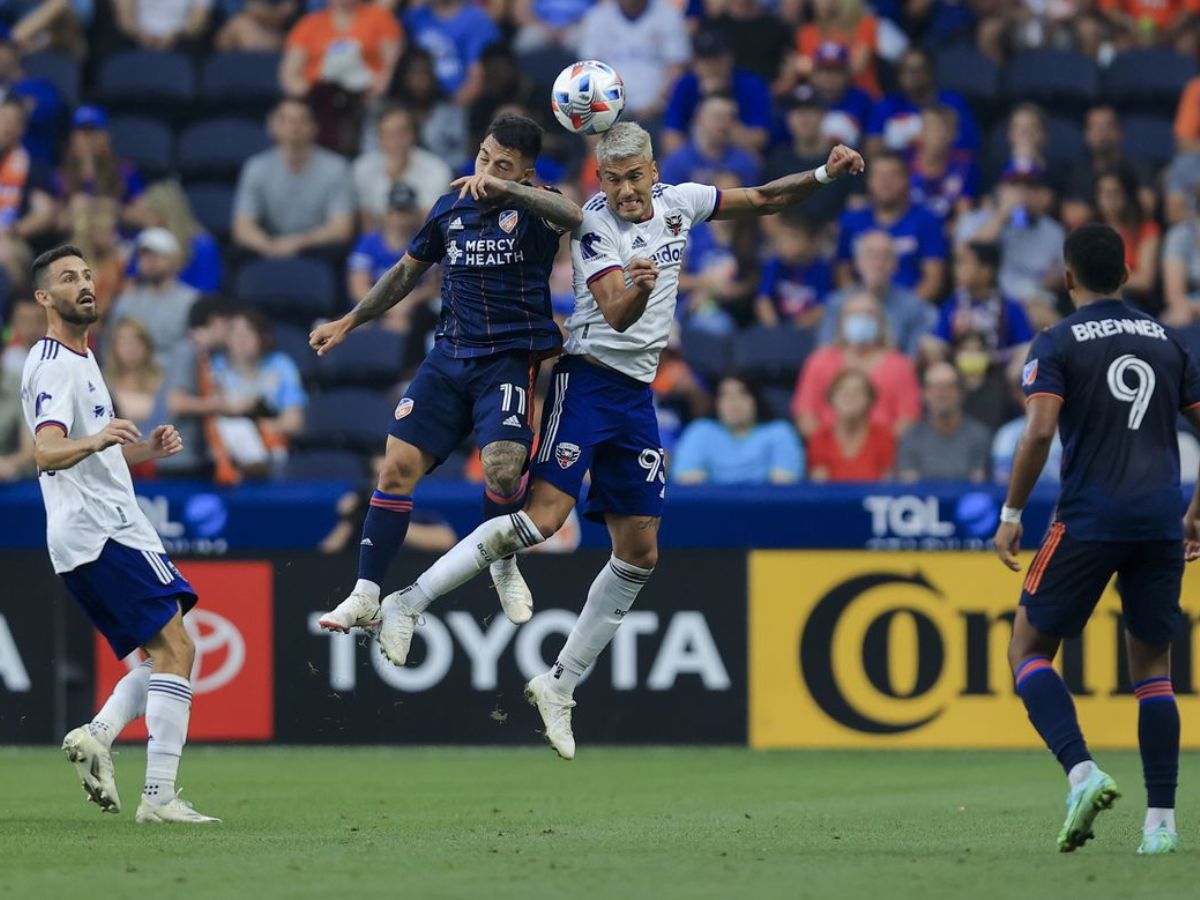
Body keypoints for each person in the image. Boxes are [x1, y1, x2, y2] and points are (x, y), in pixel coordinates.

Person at [372, 124, 864, 759]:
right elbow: (617, 313)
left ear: (654, 171)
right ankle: (409, 602)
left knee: (640, 552)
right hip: (587, 383)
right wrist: (643, 283)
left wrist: (822, 175)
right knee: (543, 519)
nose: (626, 189)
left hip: (636, 395)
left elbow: (766, 198)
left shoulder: (682, 201)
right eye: (613, 178)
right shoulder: (593, 226)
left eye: (635, 176)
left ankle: (559, 685)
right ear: (599, 180)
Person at [309, 113, 584, 634]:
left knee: (503, 468)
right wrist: (349, 321)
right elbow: (404, 273)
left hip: (507, 358)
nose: (487, 171)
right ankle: (365, 594)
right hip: (448, 358)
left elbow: (572, 214)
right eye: (484, 158)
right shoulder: (449, 209)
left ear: (526, 174)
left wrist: (509, 190)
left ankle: (503, 562)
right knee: (395, 467)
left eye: (503, 166)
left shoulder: (536, 207)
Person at [992, 223, 1200, 855]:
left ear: (1067, 278)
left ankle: (1082, 772)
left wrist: (1011, 512)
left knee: (1027, 648)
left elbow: (1038, 432)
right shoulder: (1168, 341)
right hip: (1160, 518)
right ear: (1128, 274)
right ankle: (1160, 826)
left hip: (1089, 516)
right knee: (1154, 672)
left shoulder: (1056, 340)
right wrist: (1195, 512)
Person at [22, 244, 218, 824]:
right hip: (104, 529)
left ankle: (99, 734)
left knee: (167, 654)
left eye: (87, 275)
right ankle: (157, 798)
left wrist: (142, 451)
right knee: (178, 650)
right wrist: (98, 438)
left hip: (91, 530)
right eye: (67, 278)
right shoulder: (56, 364)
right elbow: (47, 451)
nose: (84, 284)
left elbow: (90, 456)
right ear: (44, 297)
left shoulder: (81, 356)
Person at [231, 97, 355, 260]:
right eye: (286, 120)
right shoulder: (255, 167)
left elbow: (341, 228)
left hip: (318, 253)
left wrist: (298, 243)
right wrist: (269, 246)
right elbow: (242, 227)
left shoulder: (336, 167)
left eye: (301, 120)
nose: (294, 127)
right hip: (268, 250)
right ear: (272, 126)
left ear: (314, 127)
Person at [794, 290, 921, 438]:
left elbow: (908, 419)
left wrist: (878, 447)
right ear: (842, 322)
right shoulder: (819, 361)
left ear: (881, 322)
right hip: (827, 446)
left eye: (869, 314)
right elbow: (806, 414)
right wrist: (829, 446)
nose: (861, 319)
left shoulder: (900, 366)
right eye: (854, 314)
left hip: (885, 448)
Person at [835, 150, 946, 303]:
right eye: (878, 175)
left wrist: (902, 310)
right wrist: (862, 307)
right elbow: (843, 274)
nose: (884, 182)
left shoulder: (927, 220)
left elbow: (933, 281)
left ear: (907, 179)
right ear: (869, 181)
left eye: (892, 175)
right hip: (859, 306)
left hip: (910, 309)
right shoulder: (851, 221)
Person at [208, 308, 306, 475]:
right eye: (235, 333)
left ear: (262, 337)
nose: (241, 340)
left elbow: (293, 422)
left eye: (248, 333)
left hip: (269, 445)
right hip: (221, 447)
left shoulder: (280, 365)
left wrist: (257, 427)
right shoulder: (215, 367)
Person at [819, 229, 935, 357]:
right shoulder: (837, 302)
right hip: (844, 368)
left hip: (894, 368)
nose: (878, 264)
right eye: (871, 255)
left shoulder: (913, 306)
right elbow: (824, 353)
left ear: (895, 264)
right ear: (857, 263)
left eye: (886, 257)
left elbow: (911, 358)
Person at [671, 375, 804, 484]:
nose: (734, 402)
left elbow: (785, 481)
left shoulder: (780, 432)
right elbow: (686, 478)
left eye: (742, 394)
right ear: (717, 403)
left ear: (756, 400)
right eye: (726, 396)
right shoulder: (701, 431)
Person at [661, 30, 771, 156]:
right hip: (695, 157)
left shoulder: (750, 84)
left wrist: (716, 98)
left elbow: (759, 139)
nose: (710, 66)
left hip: (738, 157)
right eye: (704, 60)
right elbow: (671, 137)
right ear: (695, 63)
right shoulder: (685, 84)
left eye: (716, 59)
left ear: (729, 58)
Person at [577, 0, 691, 122]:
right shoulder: (597, 17)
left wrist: (658, 104)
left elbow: (676, 70)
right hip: (608, 112)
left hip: (657, 114)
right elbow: (589, 71)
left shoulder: (669, 15)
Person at [864, 47, 979, 157]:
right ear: (899, 75)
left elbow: (970, 145)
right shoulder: (887, 105)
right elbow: (872, 149)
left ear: (930, 72)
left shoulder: (952, 103)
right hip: (898, 167)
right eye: (906, 70)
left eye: (918, 70)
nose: (912, 76)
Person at [352, 103, 452, 227]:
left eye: (402, 132)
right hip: (379, 238)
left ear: (413, 134)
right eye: (390, 134)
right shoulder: (362, 168)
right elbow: (367, 224)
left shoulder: (437, 169)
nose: (397, 140)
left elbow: (433, 222)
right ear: (379, 138)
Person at [764, 90, 855, 225]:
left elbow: (855, 207)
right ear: (788, 119)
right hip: (787, 234)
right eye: (798, 113)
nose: (804, 120)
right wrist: (782, 234)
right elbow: (765, 207)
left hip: (832, 235)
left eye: (810, 112)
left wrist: (833, 232)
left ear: (823, 116)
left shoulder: (842, 160)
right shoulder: (777, 160)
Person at [108, 228, 199, 363]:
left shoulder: (192, 302)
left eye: (156, 256)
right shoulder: (125, 303)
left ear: (175, 259)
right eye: (144, 256)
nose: (149, 262)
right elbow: (110, 347)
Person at [932, 241, 1032, 363]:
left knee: (1025, 353)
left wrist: (995, 357)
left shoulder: (1010, 307)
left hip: (999, 367)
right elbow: (941, 343)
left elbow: (1024, 345)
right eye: (958, 263)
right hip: (957, 367)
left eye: (964, 263)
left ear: (985, 272)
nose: (956, 269)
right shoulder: (952, 305)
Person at [280, 0, 401, 100]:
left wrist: (375, 90)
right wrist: (310, 94)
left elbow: (391, 64)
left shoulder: (380, 18)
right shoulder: (308, 24)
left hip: (366, 93)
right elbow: (290, 73)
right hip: (320, 95)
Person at [895, 361, 991, 482]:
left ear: (960, 392)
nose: (941, 394)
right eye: (935, 388)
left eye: (948, 387)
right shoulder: (911, 438)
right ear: (924, 394)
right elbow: (910, 486)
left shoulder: (979, 436)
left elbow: (979, 484)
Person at [126, 180, 221, 294]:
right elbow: (131, 281)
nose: (143, 219)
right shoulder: (143, 240)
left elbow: (206, 290)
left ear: (165, 213)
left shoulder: (202, 246)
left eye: (149, 213)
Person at [404, 0, 499, 107]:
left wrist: (451, 109)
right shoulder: (414, 18)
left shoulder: (478, 22)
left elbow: (478, 77)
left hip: (459, 105)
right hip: (415, 103)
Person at [806, 367, 894, 482]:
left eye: (858, 392)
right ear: (831, 398)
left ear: (870, 400)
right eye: (843, 391)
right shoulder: (820, 439)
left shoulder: (883, 438)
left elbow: (888, 485)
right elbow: (818, 487)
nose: (850, 397)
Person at [659, 94, 759, 189]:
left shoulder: (745, 163)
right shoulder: (676, 163)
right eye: (718, 116)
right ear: (700, 117)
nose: (724, 124)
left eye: (730, 117)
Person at [1094, 168, 1160, 304]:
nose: (1108, 199)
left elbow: (1144, 280)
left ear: (1127, 194)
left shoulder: (1146, 229)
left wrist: (1098, 281)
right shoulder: (1088, 231)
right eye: (1103, 192)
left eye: (1115, 192)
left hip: (1132, 300)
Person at [754, 215, 832, 329]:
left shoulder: (823, 269)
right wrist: (775, 330)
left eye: (793, 237)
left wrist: (794, 330)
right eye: (781, 237)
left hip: (809, 330)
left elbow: (822, 308)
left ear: (812, 242)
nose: (784, 243)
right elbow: (763, 300)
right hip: (777, 328)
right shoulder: (774, 264)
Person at [908, 105, 977, 225]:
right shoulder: (904, 161)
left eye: (942, 129)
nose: (937, 136)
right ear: (921, 132)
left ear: (954, 134)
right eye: (930, 129)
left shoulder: (963, 165)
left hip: (946, 229)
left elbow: (964, 211)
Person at [104, 318, 162, 432]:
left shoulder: (161, 380)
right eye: (124, 343)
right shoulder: (103, 382)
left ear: (147, 346)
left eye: (136, 342)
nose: (130, 348)